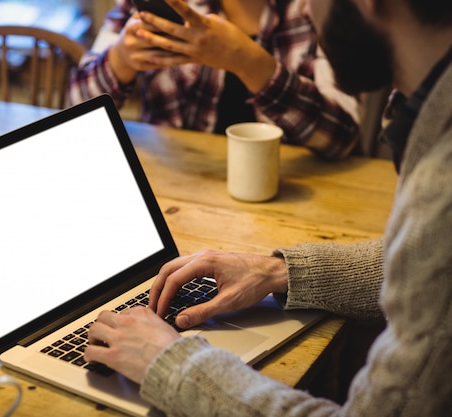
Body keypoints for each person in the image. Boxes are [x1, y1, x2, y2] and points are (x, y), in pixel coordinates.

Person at [84, 0, 452, 416]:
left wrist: (169, 365)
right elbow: (429, 261)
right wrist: (280, 271)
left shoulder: (441, 184)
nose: (310, 10)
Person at [69, 0, 361, 160]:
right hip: (176, 186)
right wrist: (121, 59)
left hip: (297, 197)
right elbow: (75, 112)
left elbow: (341, 139)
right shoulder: (155, 5)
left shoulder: (316, 9)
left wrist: (249, 63)